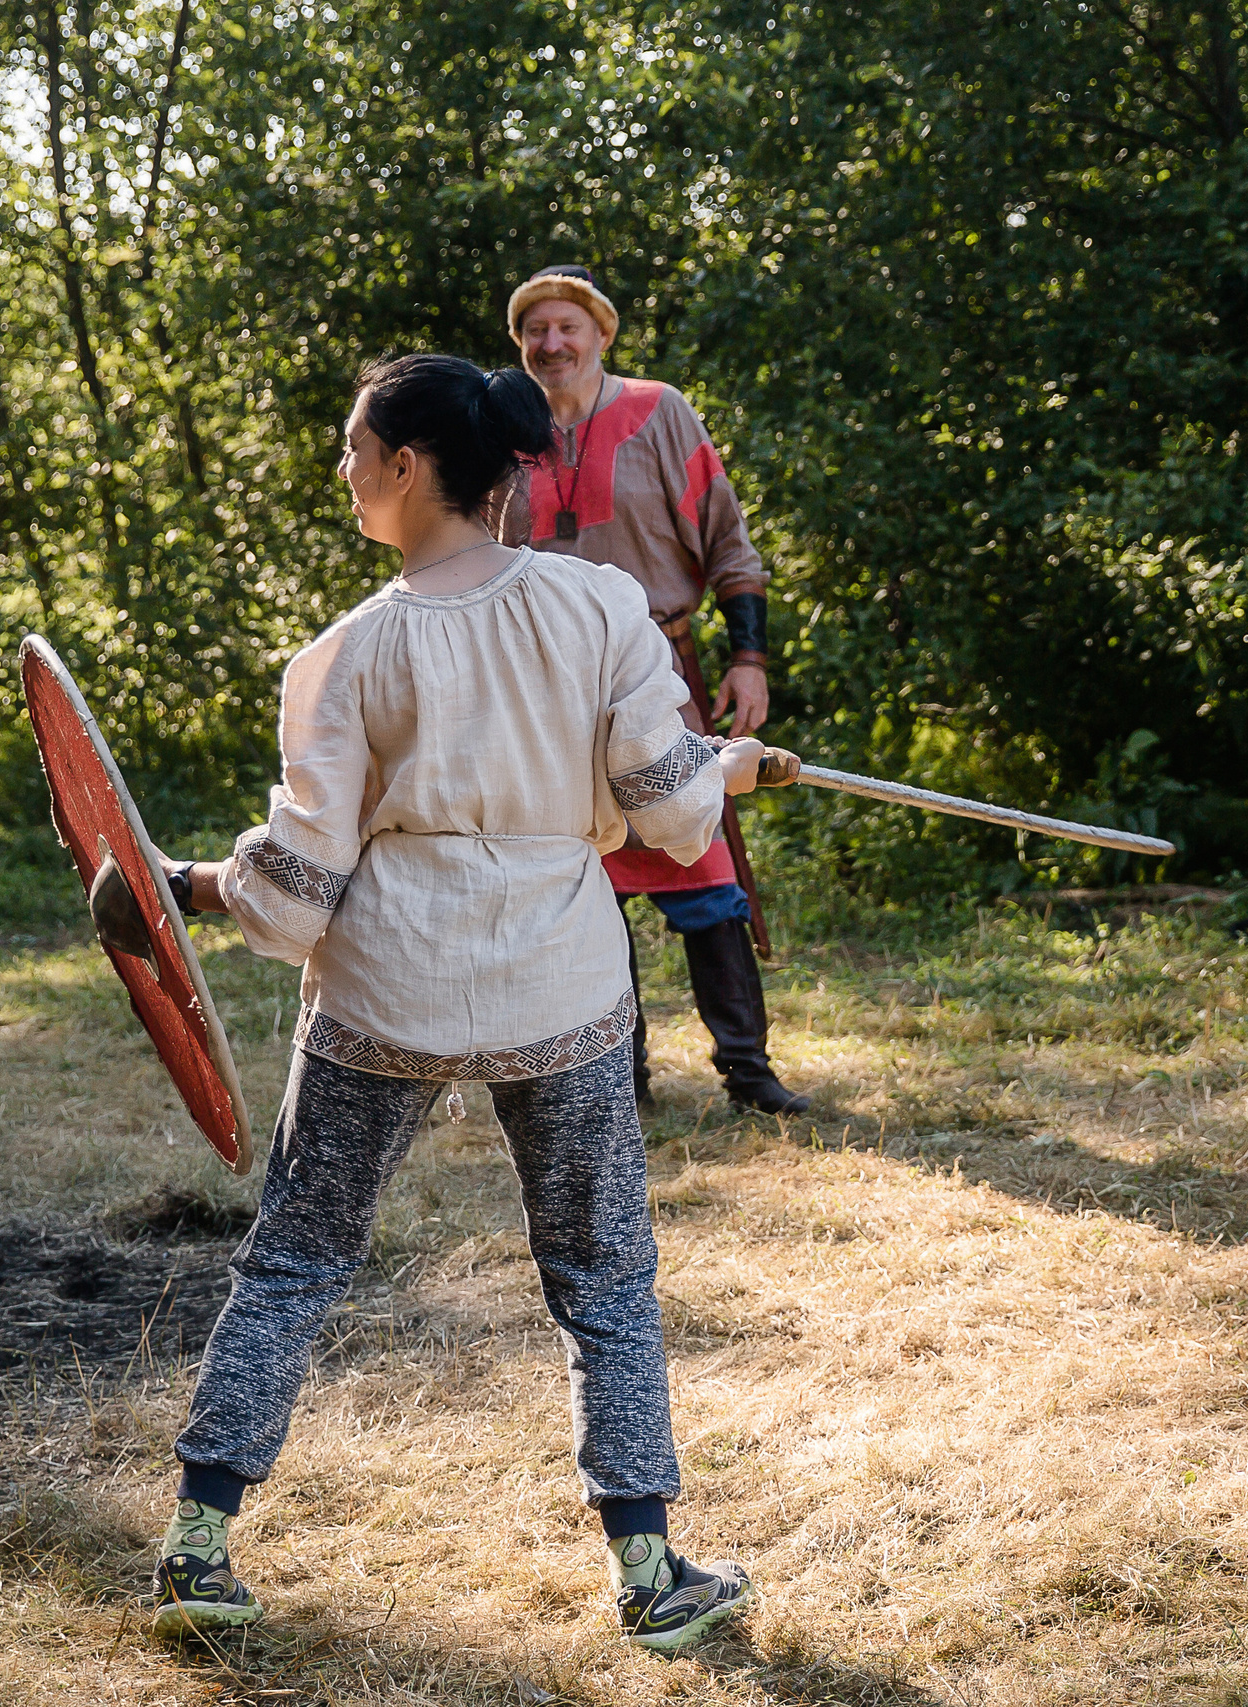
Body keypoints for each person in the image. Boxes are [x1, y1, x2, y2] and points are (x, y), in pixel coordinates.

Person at [145, 354, 760, 1652]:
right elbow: (666, 806)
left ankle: (199, 1544)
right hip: (562, 983)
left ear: (410, 464)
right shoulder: (601, 609)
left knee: (299, 1258)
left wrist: (198, 883)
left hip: (386, 985)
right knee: (605, 1275)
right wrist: (723, 773)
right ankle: (651, 1570)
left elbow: (298, 890)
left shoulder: (344, 654)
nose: (344, 466)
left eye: (352, 444)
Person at [498, 265, 810, 1115]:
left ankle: (747, 1071)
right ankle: (618, 1078)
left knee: (702, 864)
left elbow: (729, 544)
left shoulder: (659, 411)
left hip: (658, 677)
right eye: (536, 330)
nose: (551, 343)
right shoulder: (503, 434)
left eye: (568, 326)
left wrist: (750, 660)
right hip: (549, 694)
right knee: (584, 878)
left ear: (602, 333)